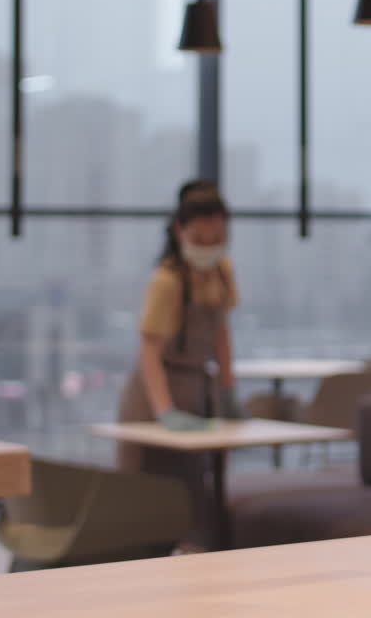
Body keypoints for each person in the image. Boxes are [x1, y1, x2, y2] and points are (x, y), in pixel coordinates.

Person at [116, 179, 242, 548]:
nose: (209, 248)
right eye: (201, 240)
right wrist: (164, 411)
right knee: (148, 499)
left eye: (217, 239)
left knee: (195, 495)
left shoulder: (222, 272)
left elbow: (221, 333)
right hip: (154, 392)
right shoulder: (166, 280)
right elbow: (150, 351)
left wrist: (228, 387)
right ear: (179, 231)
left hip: (197, 389)